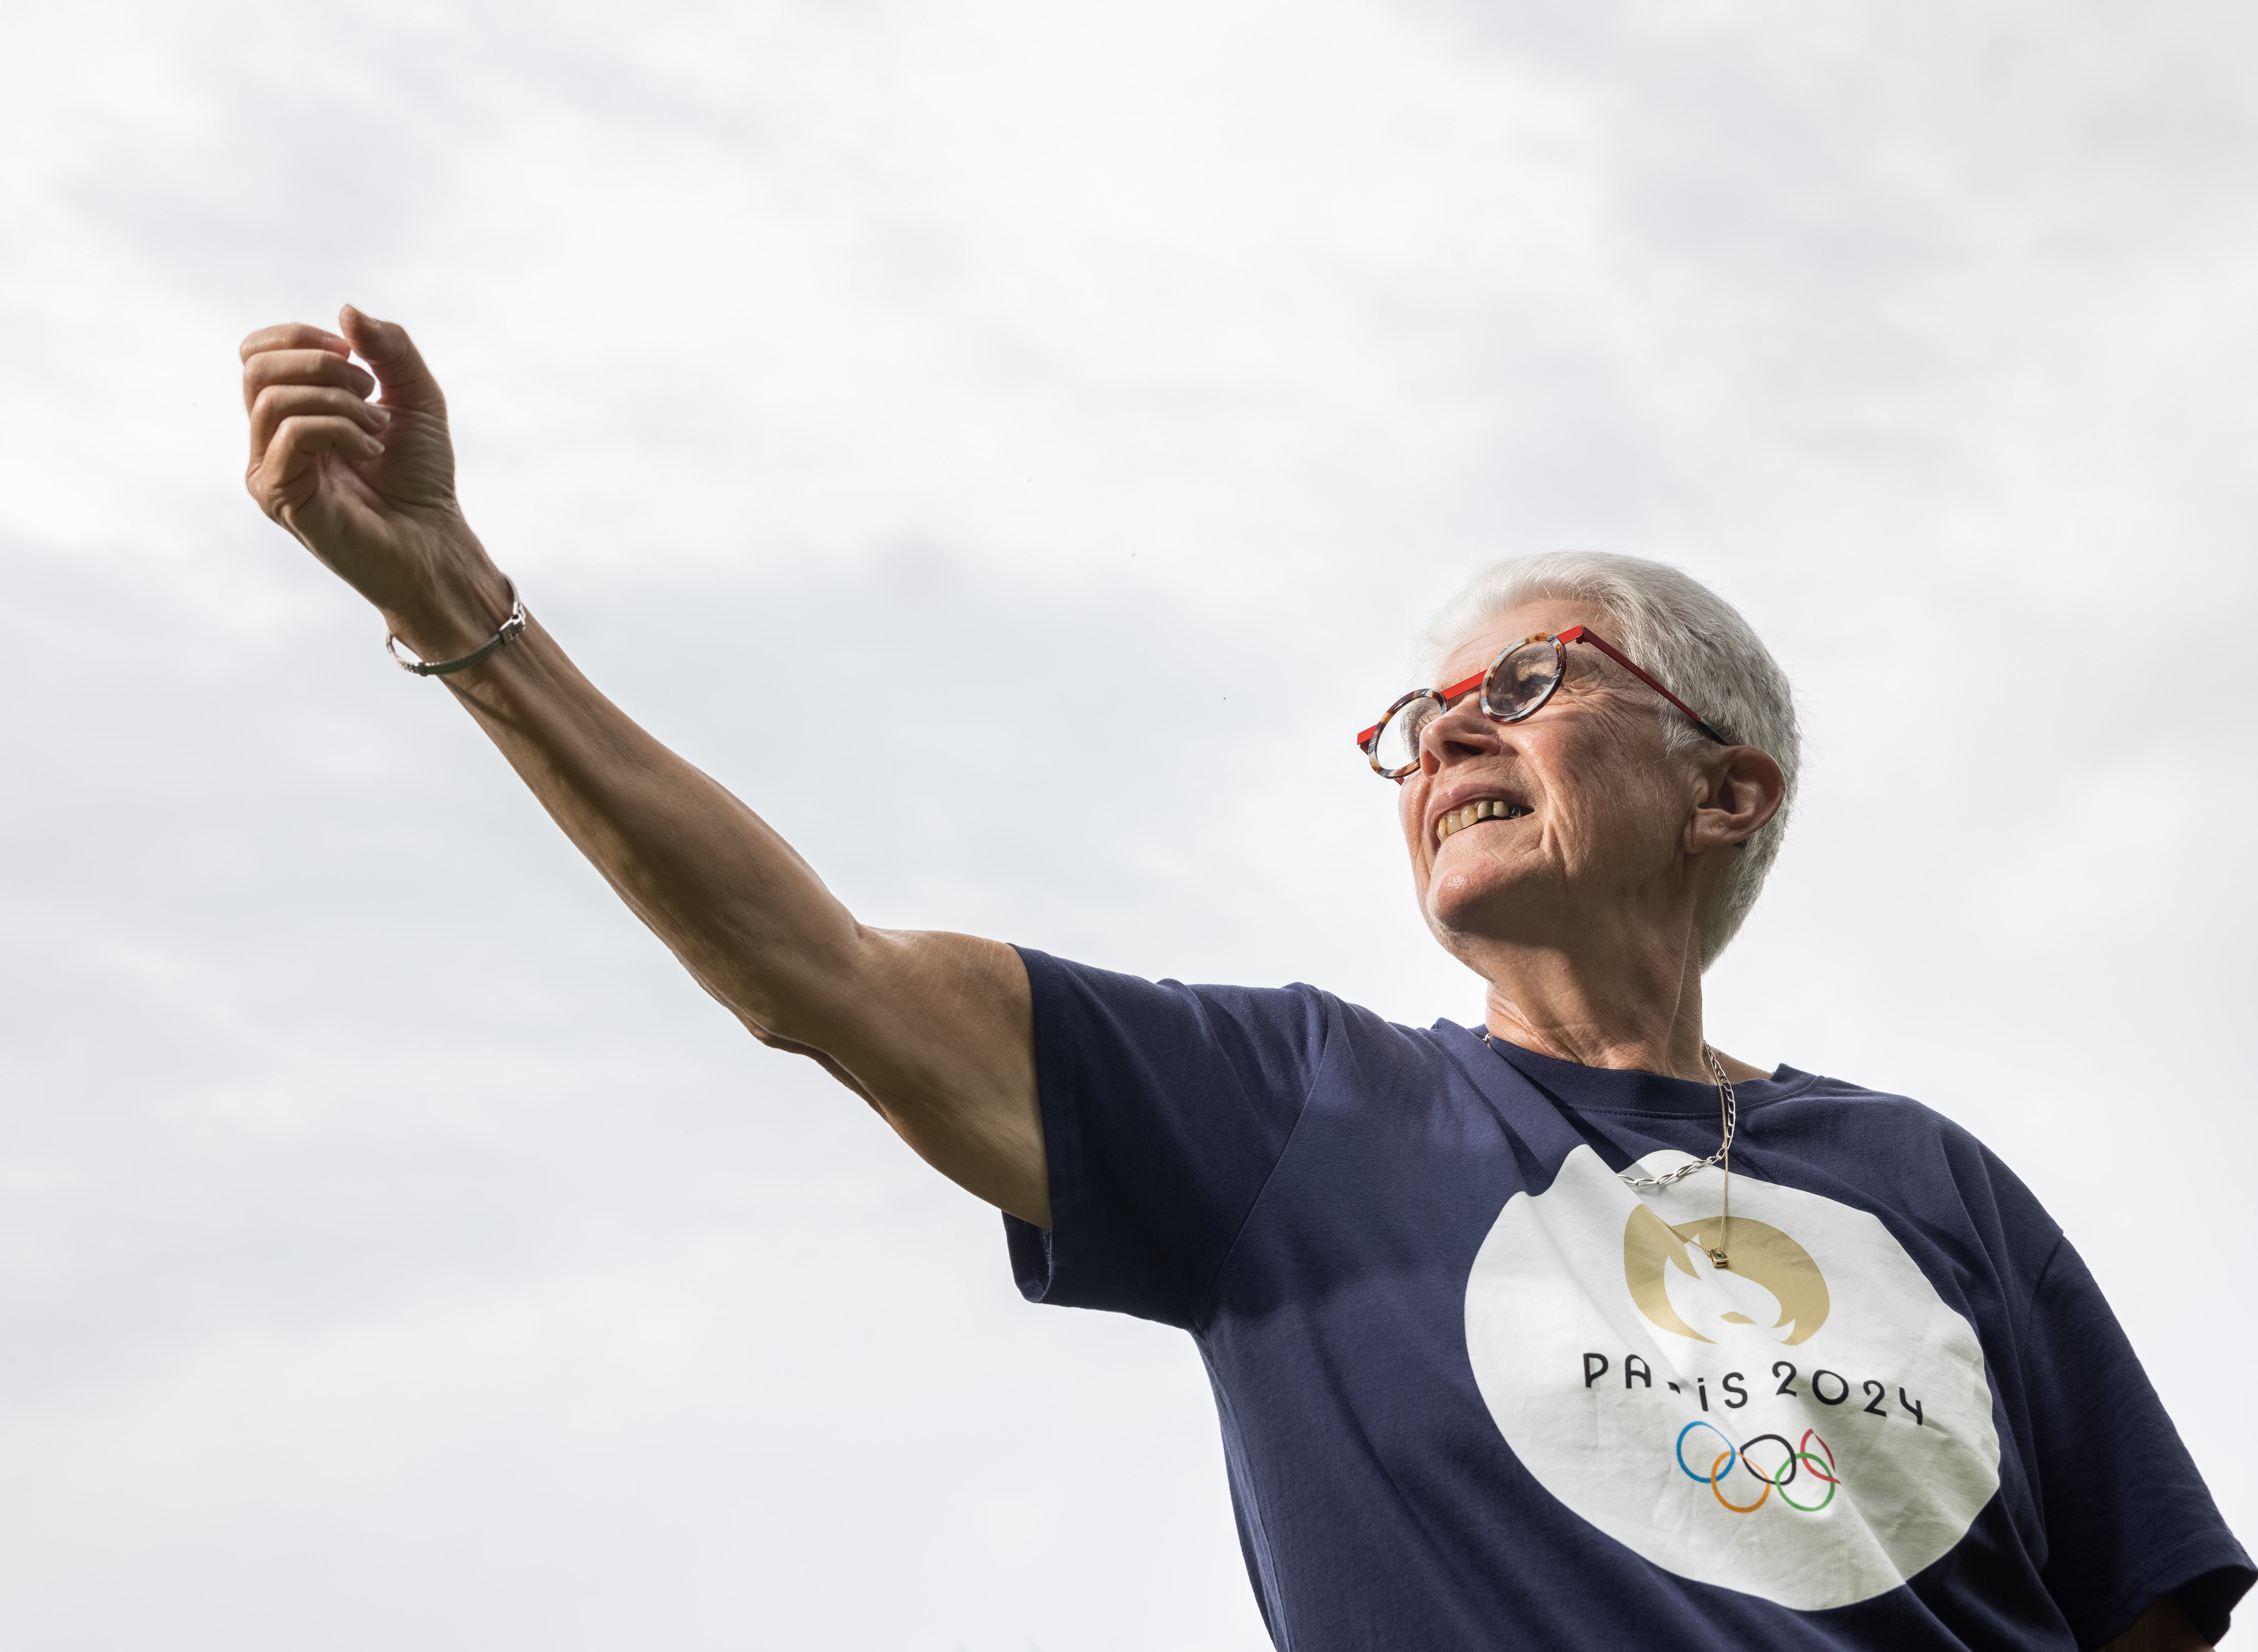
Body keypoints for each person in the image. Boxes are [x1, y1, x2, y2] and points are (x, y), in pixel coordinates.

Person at [240, 306, 2250, 1651]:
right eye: (1417, 718)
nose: (1446, 738)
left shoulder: (1927, 1184)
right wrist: (465, 619)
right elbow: (814, 970)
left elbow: (2144, 1617)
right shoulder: (1289, 1115)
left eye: (1526, 688)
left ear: (1722, 788)